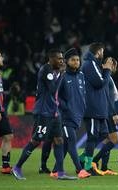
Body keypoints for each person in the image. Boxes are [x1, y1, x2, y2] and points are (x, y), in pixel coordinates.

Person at [11, 49, 76, 180]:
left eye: (62, 58)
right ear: (51, 59)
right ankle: (17, 167)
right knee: (36, 141)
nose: (62, 61)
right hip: (43, 111)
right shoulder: (46, 70)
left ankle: (60, 172)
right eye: (59, 58)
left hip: (54, 111)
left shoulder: (56, 71)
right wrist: (62, 74)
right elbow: (52, 90)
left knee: (59, 140)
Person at [49, 48, 91, 179]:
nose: (76, 62)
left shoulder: (81, 76)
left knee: (66, 145)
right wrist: (65, 106)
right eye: (73, 60)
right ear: (67, 61)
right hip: (65, 116)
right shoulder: (62, 76)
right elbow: (54, 94)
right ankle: (80, 170)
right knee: (72, 142)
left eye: (78, 60)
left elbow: (82, 94)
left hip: (77, 115)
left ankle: (55, 170)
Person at [81, 42, 113, 175]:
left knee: (104, 134)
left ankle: (83, 157)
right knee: (92, 136)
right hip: (93, 108)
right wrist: (107, 70)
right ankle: (87, 166)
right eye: (102, 51)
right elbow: (99, 83)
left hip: (99, 108)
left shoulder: (95, 64)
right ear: (99, 51)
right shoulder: (90, 64)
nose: (103, 54)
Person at [92, 57, 118, 175]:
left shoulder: (107, 78)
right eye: (113, 65)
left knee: (107, 140)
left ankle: (104, 167)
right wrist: (113, 113)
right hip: (109, 113)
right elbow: (108, 98)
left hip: (107, 112)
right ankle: (94, 161)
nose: (114, 68)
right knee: (115, 140)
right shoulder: (107, 78)